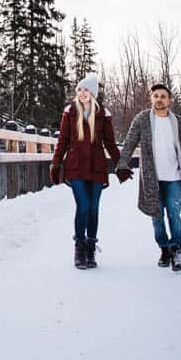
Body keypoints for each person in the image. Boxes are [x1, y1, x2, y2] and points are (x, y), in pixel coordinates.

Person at [115, 83, 181, 272]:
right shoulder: (142, 119)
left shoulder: (179, 122)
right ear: (151, 99)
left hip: (175, 177)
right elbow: (129, 142)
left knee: (174, 214)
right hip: (152, 178)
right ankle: (164, 248)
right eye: (155, 96)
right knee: (156, 216)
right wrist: (122, 163)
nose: (159, 99)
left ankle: (176, 248)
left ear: (169, 101)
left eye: (163, 96)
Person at [49, 74, 121, 269]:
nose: (82, 93)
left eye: (86, 90)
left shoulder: (103, 115)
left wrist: (120, 164)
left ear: (93, 93)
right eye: (80, 89)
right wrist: (56, 164)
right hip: (76, 166)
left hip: (97, 167)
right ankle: (79, 248)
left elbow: (110, 143)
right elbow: (62, 141)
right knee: (83, 206)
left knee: (93, 208)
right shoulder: (70, 112)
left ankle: (90, 248)